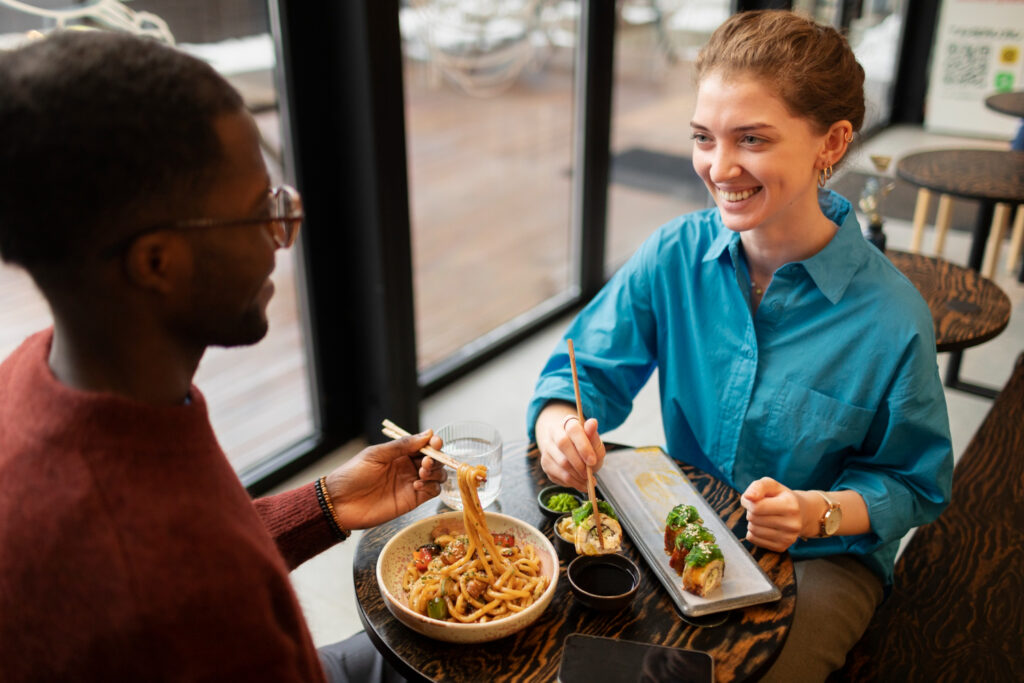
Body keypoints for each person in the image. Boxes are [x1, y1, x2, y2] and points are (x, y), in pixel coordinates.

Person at [0, 31, 441, 682]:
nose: (279, 238)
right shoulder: (194, 597)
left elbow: (177, 541)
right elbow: (179, 573)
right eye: (260, 210)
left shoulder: (32, 374)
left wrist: (324, 504)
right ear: (157, 261)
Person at [527, 10, 953, 681]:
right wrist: (559, 428)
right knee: (565, 643)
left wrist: (815, 512)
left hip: (823, 559)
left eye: (751, 139)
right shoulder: (673, 253)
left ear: (831, 143)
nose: (718, 167)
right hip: (681, 517)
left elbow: (914, 483)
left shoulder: (893, 319)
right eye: (703, 137)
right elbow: (582, 372)